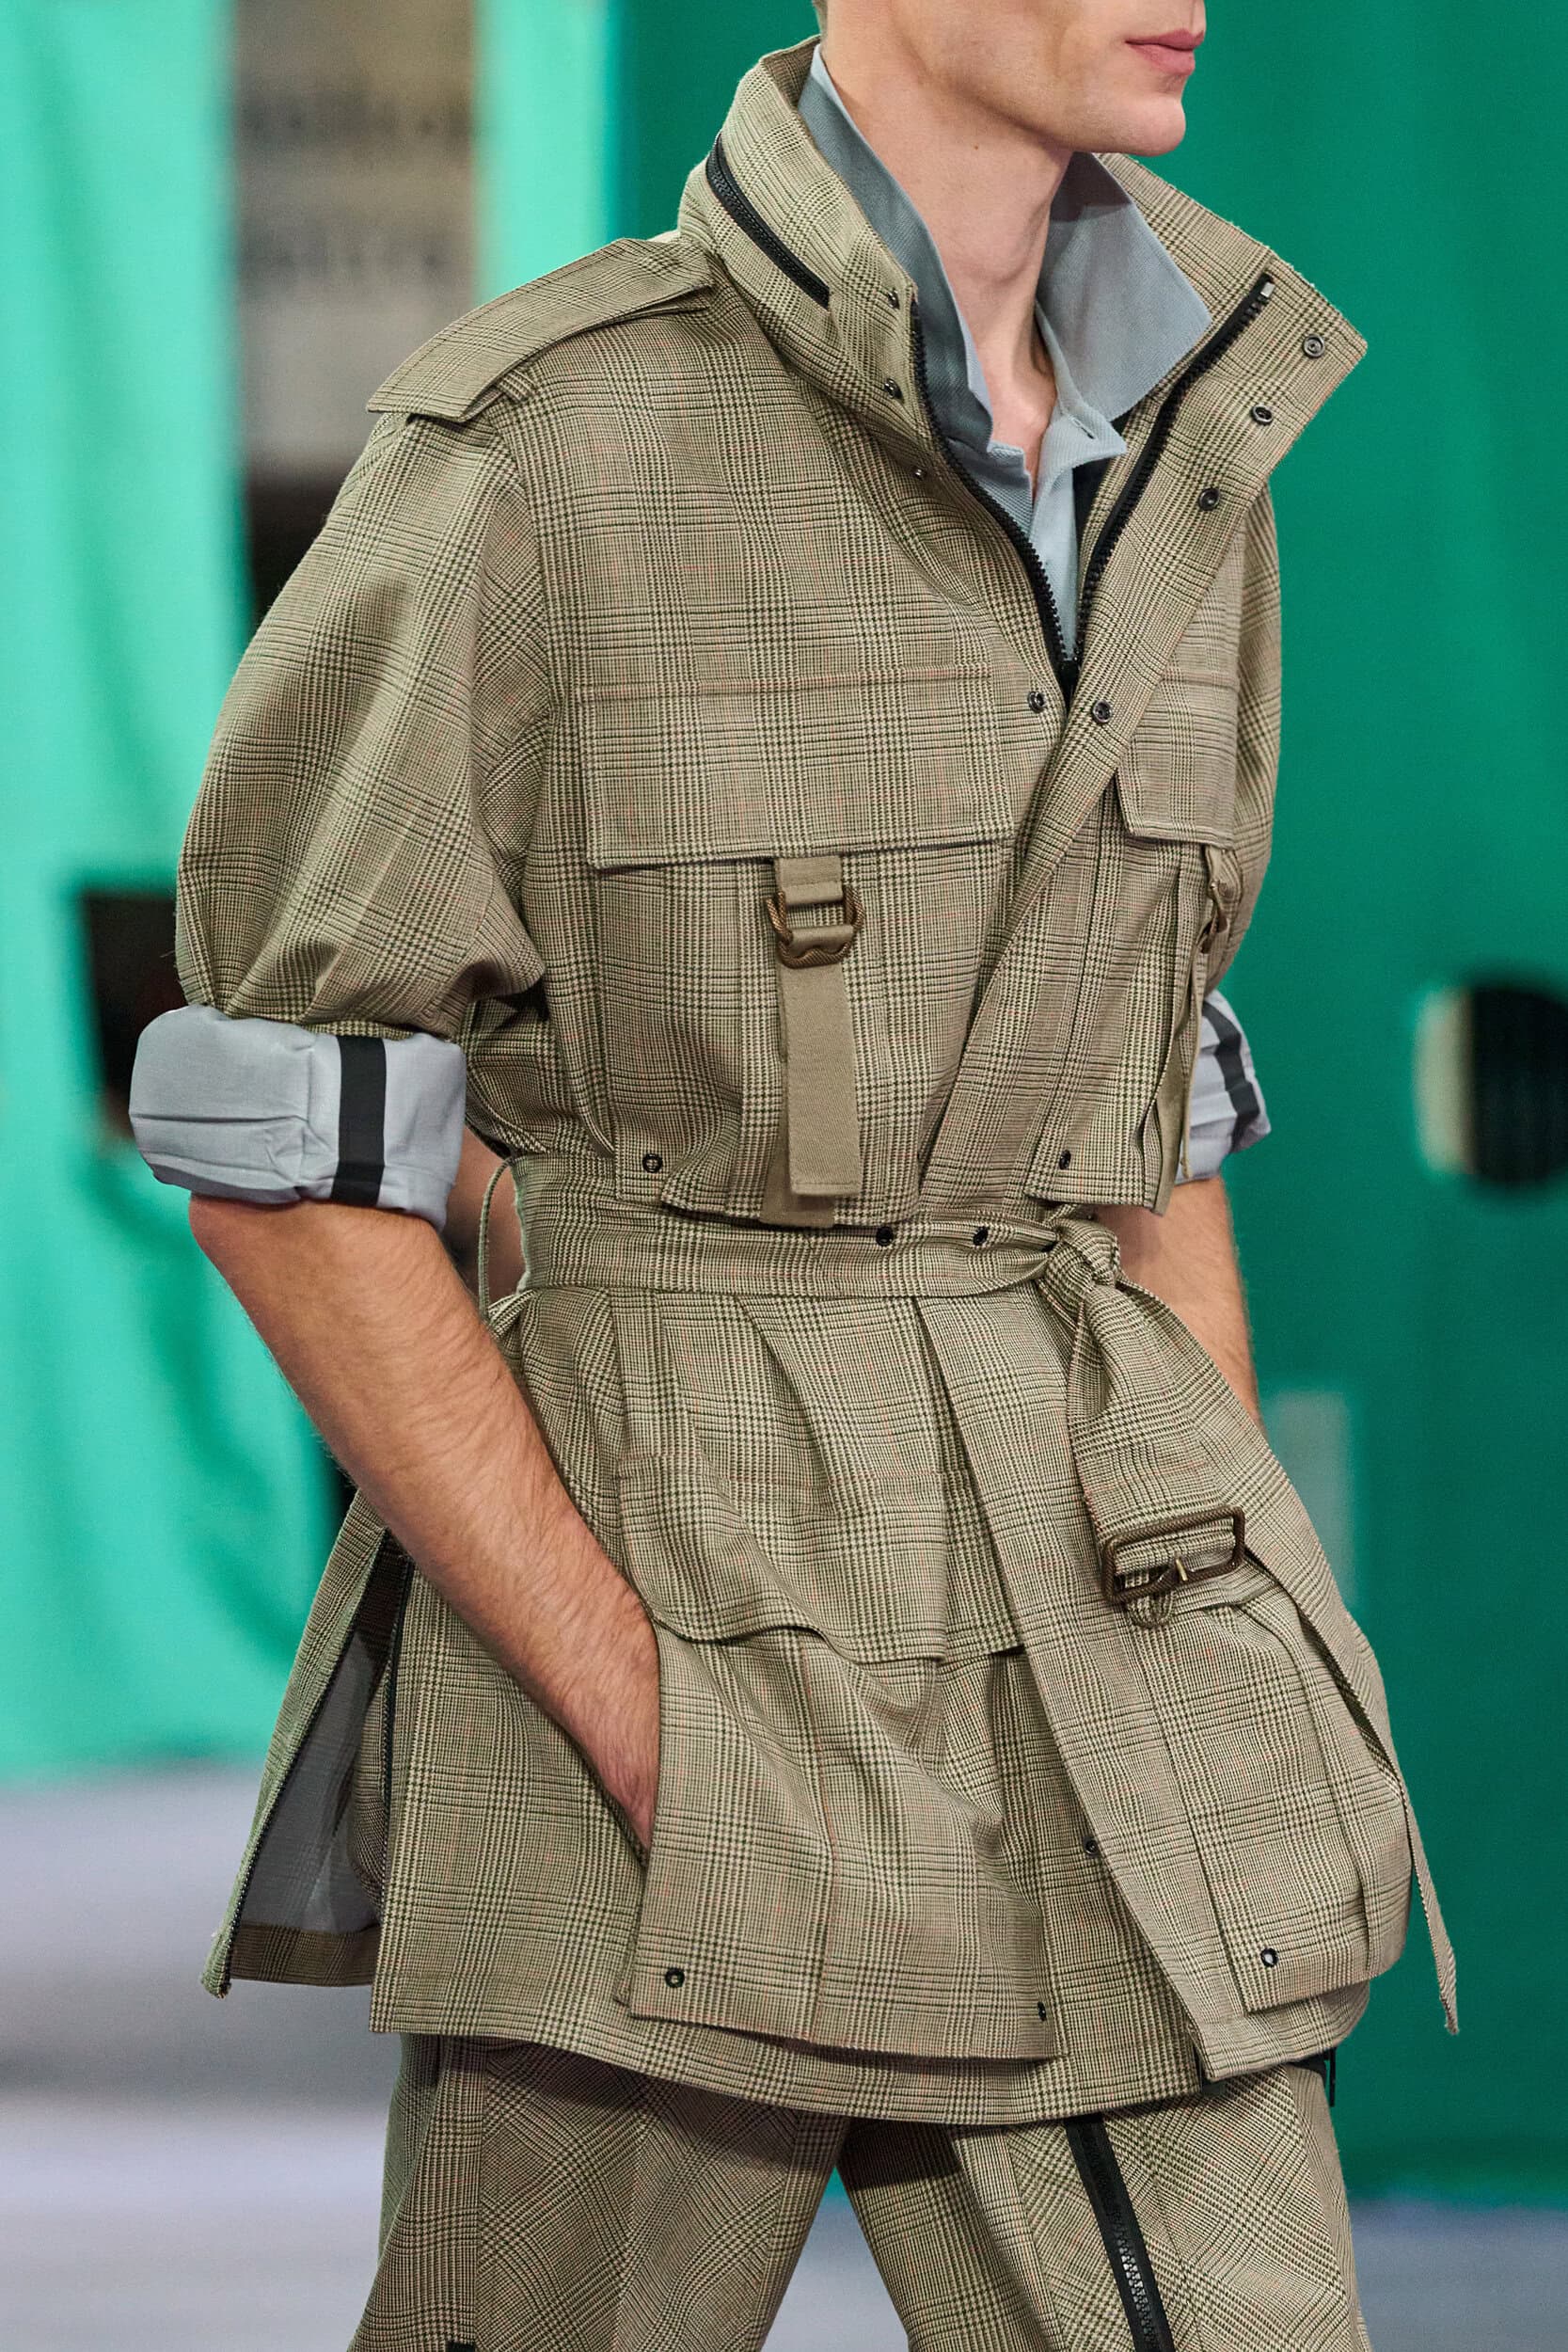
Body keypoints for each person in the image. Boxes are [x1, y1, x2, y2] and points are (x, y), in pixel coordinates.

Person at [130, 7, 1455, 2345]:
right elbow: (287, 1151)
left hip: (1111, 1657)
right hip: (677, 1622)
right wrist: (637, 1709)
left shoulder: (1201, 438)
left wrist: (1224, 1576)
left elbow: (1151, 1103)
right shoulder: (538, 449)